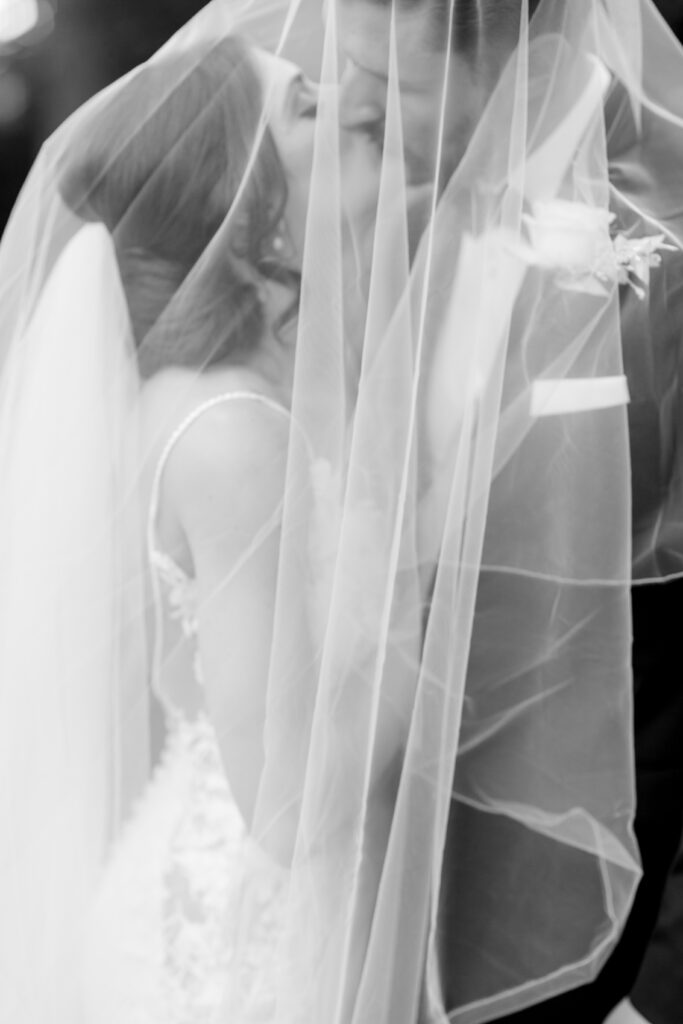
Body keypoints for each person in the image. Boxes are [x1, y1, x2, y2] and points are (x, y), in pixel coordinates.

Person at [0, 1, 666, 1022]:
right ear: (251, 206)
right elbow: (283, 798)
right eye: (308, 106)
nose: (354, 100)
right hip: (235, 946)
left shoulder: (253, 380)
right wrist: (436, 565)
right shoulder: (230, 434)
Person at [337, 0, 683, 1021]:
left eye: (391, 85)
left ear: (513, 58)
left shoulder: (666, 235)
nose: (359, 106)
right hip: (408, 888)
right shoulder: (392, 200)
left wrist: (661, 992)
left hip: (606, 919)